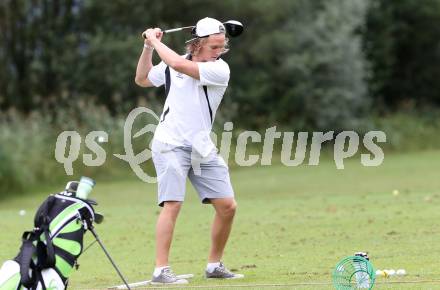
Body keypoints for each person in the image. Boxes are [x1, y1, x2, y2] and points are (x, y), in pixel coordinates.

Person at [135, 17, 243, 284]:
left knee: (227, 206)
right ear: (197, 44)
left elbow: (178, 63)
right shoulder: (174, 61)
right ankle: (161, 270)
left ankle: (214, 265)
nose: (219, 52)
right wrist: (149, 48)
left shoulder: (220, 69)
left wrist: (155, 41)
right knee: (172, 204)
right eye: (214, 47)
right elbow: (142, 79)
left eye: (221, 46)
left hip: (201, 147)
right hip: (170, 143)